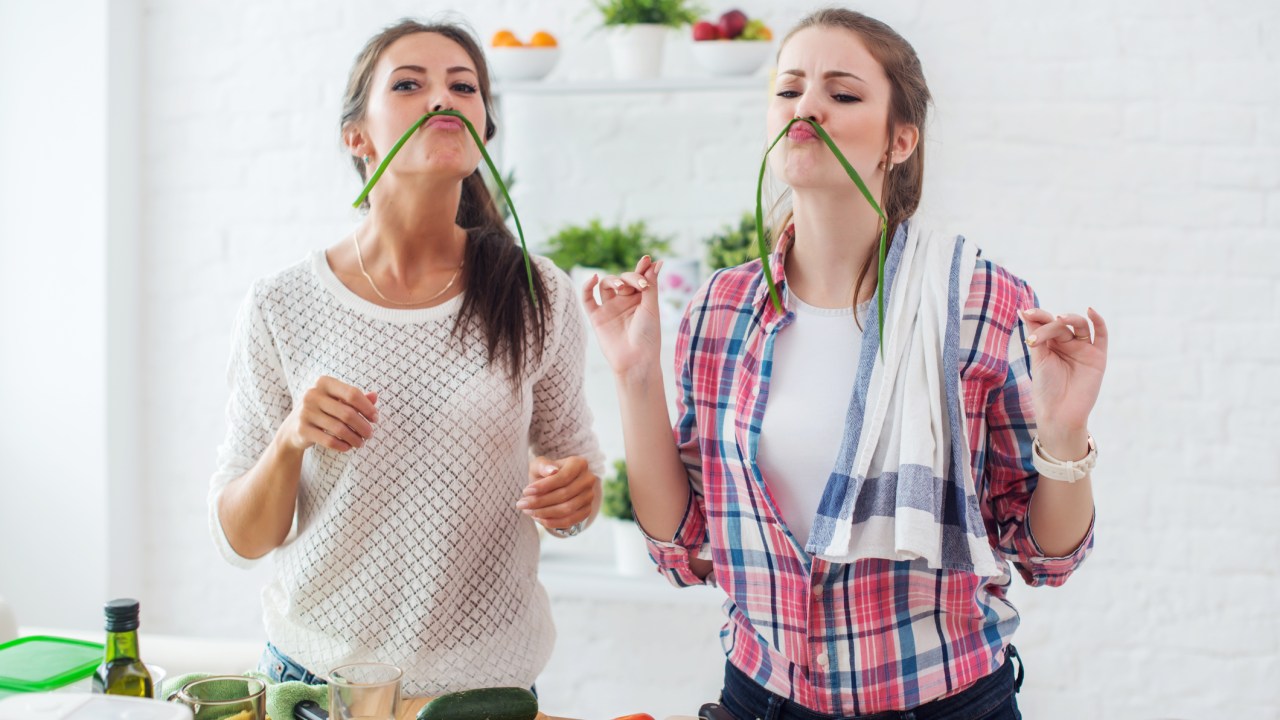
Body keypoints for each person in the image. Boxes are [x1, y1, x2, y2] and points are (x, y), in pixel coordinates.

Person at [584, 8, 1106, 719]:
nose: (807, 107)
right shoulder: (720, 309)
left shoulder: (978, 302)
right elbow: (684, 544)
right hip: (760, 699)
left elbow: (1047, 559)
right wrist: (634, 375)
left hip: (944, 702)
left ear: (900, 139)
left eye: (843, 93)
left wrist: (1065, 433)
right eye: (789, 90)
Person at [208, 18, 603, 696]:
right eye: (409, 84)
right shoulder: (281, 303)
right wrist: (289, 439)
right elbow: (243, 540)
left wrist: (575, 494)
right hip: (315, 682)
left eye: (463, 85)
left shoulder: (538, 294)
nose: (441, 99)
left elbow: (574, 478)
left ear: (484, 132)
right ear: (356, 136)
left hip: (488, 692)